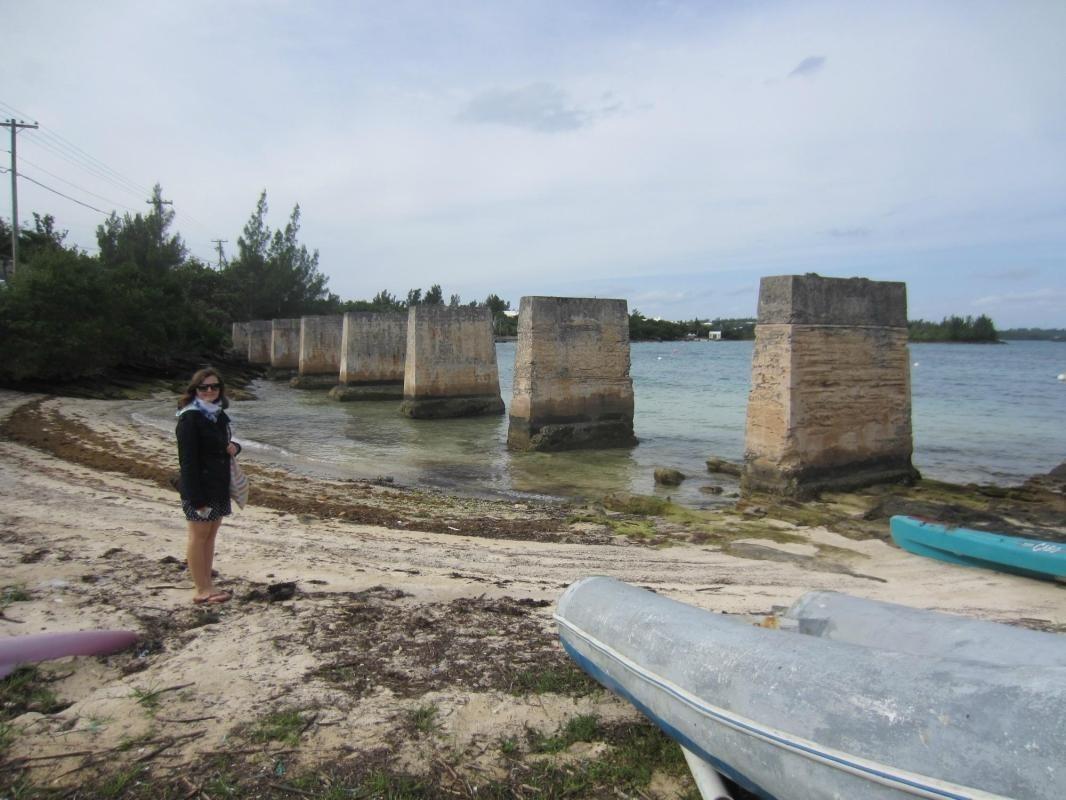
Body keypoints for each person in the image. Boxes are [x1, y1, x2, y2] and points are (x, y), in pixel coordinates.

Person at [175, 367, 241, 604]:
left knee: (210, 535)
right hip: (199, 487)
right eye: (204, 387)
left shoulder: (217, 415)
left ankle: (208, 584)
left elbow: (223, 445)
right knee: (198, 535)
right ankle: (201, 589)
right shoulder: (189, 418)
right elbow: (188, 462)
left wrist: (236, 447)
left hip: (218, 484)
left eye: (215, 386)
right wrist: (196, 498)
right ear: (196, 390)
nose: (210, 391)